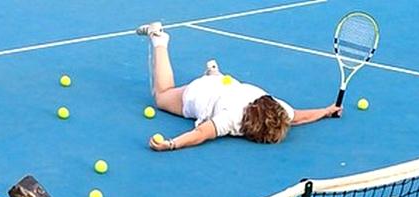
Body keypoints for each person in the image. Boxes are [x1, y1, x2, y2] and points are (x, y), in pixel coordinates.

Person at [136, 22, 341, 151]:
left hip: (225, 85)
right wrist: (171, 144)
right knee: (162, 96)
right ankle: (159, 39)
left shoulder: (280, 109)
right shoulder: (232, 118)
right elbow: (200, 134)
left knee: (223, 86)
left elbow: (299, 116)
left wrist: (326, 110)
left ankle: (213, 73)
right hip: (201, 93)